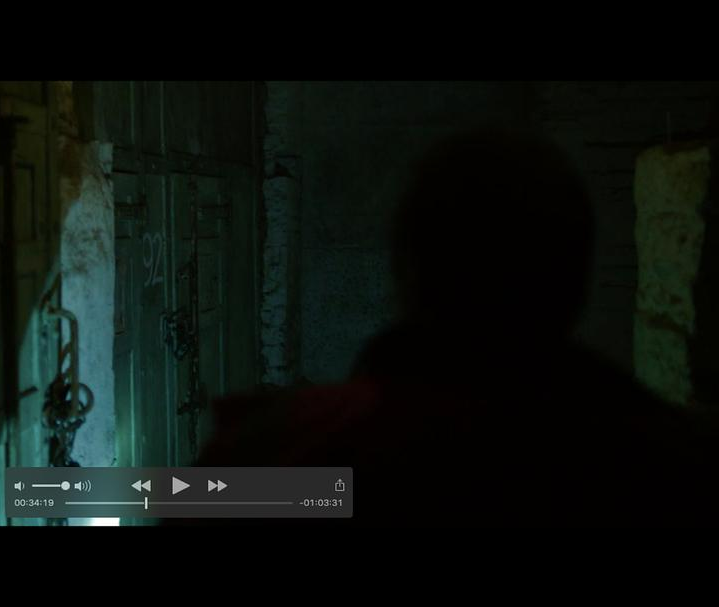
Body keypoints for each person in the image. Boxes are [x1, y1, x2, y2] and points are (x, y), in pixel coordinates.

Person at [193, 129, 719, 526]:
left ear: (405, 267)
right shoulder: (674, 470)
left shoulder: (277, 457)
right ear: (577, 279)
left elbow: (180, 496)